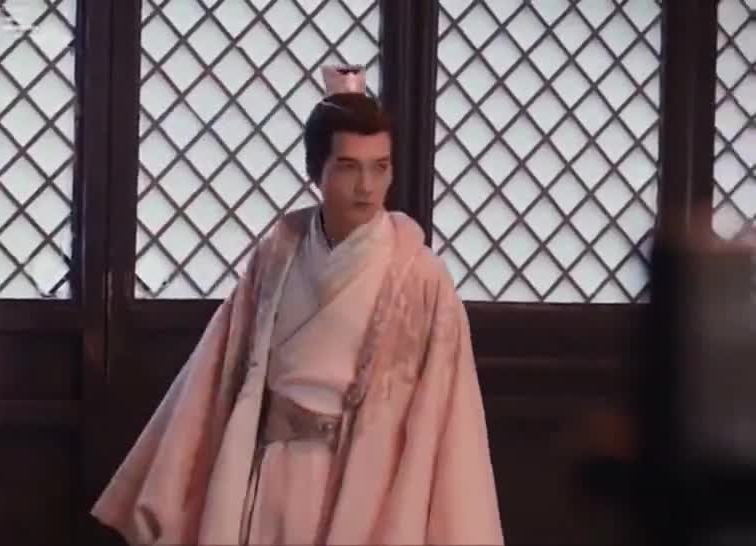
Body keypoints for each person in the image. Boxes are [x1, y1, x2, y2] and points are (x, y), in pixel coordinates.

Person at [91, 65, 503, 545]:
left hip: (365, 483)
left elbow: (449, 413)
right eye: (348, 167)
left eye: (380, 167)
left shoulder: (421, 276)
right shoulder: (277, 256)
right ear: (316, 171)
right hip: (273, 470)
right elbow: (217, 371)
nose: (367, 186)